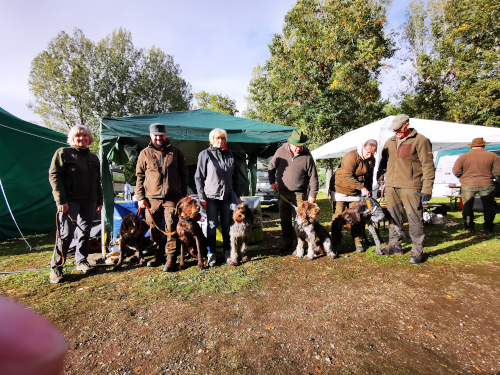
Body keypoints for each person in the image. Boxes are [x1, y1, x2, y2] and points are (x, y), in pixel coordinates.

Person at [377, 114, 435, 264]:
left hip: (411, 186)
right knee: (393, 217)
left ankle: (417, 250)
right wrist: (380, 176)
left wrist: (427, 188)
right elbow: (384, 161)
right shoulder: (390, 141)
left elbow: (428, 166)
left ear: (406, 126)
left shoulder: (421, 140)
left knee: (414, 219)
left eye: (398, 129)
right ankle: (395, 245)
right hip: (391, 186)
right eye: (393, 130)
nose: (395, 132)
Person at [48, 125, 103, 284]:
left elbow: (97, 181)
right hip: (70, 201)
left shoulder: (94, 158)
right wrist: (61, 201)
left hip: (90, 201)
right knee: (66, 234)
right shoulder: (63, 153)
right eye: (78, 136)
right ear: (72, 139)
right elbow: (54, 177)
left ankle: (81, 261)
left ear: (89, 139)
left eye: (85, 136)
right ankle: (56, 267)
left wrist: (99, 200)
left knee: (85, 232)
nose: (82, 139)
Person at [136, 123, 188, 272]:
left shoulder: (176, 152)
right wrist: (141, 197)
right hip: (151, 198)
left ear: (165, 135)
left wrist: (183, 194)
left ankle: (171, 258)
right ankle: (157, 255)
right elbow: (139, 177)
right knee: (153, 228)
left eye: (161, 134)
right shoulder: (144, 153)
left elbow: (184, 174)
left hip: (173, 197)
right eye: (155, 135)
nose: (158, 137)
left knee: (171, 227)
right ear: (151, 136)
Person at [268, 129, 319, 253]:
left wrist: (313, 194)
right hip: (283, 193)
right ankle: (287, 243)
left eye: (300, 146)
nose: (298, 149)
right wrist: (272, 182)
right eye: (296, 146)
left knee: (301, 221)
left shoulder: (307, 156)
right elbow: (271, 167)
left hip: (300, 194)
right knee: (284, 220)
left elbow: (314, 176)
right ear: (290, 143)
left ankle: (300, 245)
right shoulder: (281, 151)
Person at [195, 128, 240, 266]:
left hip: (227, 197)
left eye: (222, 138)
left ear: (225, 140)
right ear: (212, 140)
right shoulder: (205, 154)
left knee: (227, 225)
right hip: (210, 197)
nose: (220, 141)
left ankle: (227, 251)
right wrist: (202, 197)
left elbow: (236, 178)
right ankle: (211, 253)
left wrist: (237, 196)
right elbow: (198, 177)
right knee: (212, 225)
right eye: (217, 138)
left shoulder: (231, 156)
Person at [331, 139, 378, 253]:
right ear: (363, 147)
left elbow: (369, 177)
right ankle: (335, 243)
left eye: (372, 153)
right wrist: (362, 188)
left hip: (355, 191)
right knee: (338, 216)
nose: (369, 155)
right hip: (340, 188)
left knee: (356, 216)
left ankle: (358, 241)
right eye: (367, 152)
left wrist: (368, 191)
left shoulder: (371, 159)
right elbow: (347, 176)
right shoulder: (351, 156)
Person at [452, 137, 500, 233]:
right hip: (486, 183)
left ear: (472, 146)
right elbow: (498, 172)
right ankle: (488, 227)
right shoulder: (493, 156)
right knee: (488, 206)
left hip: (468, 184)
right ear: (484, 145)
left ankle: (469, 227)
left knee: (467, 206)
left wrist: (464, 178)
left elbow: (456, 171)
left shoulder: (463, 157)